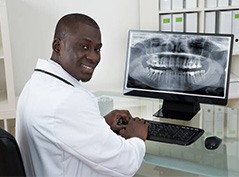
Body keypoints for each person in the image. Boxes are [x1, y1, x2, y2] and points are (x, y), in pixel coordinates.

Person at [15, 13, 149, 177]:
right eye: (84, 47)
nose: (93, 57)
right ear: (58, 46)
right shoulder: (69, 100)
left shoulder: (35, 84)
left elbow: (61, 130)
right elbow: (125, 163)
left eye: (97, 49)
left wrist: (100, 124)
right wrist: (138, 136)